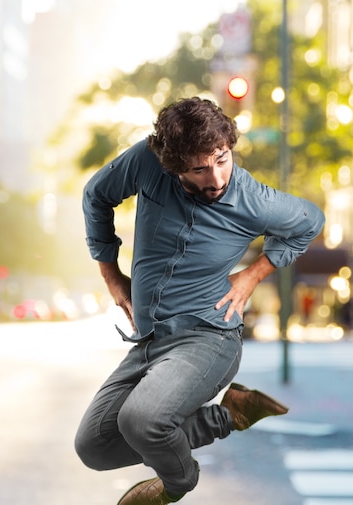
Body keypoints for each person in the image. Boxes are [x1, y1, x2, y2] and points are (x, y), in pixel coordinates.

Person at [74, 97, 325, 505]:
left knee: (141, 420)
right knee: (94, 447)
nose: (216, 178)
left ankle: (178, 483)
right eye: (199, 168)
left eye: (222, 159)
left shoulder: (252, 199)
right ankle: (228, 415)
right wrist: (111, 274)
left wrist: (252, 275)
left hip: (209, 338)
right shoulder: (147, 162)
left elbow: (310, 221)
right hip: (151, 340)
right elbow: (95, 196)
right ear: (173, 166)